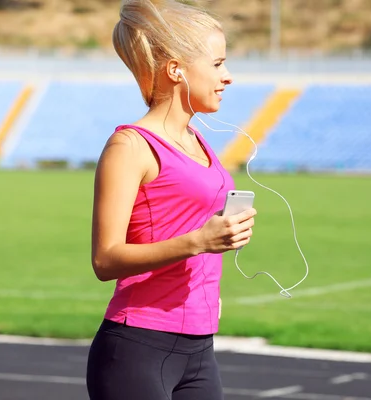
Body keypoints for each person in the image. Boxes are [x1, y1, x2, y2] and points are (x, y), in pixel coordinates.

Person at [86, 1, 256, 399]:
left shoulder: (199, 143)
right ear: (176, 69)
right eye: (217, 64)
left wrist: (225, 234)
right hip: (137, 347)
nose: (227, 77)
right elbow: (104, 259)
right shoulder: (130, 146)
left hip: (200, 349)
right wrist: (200, 240)